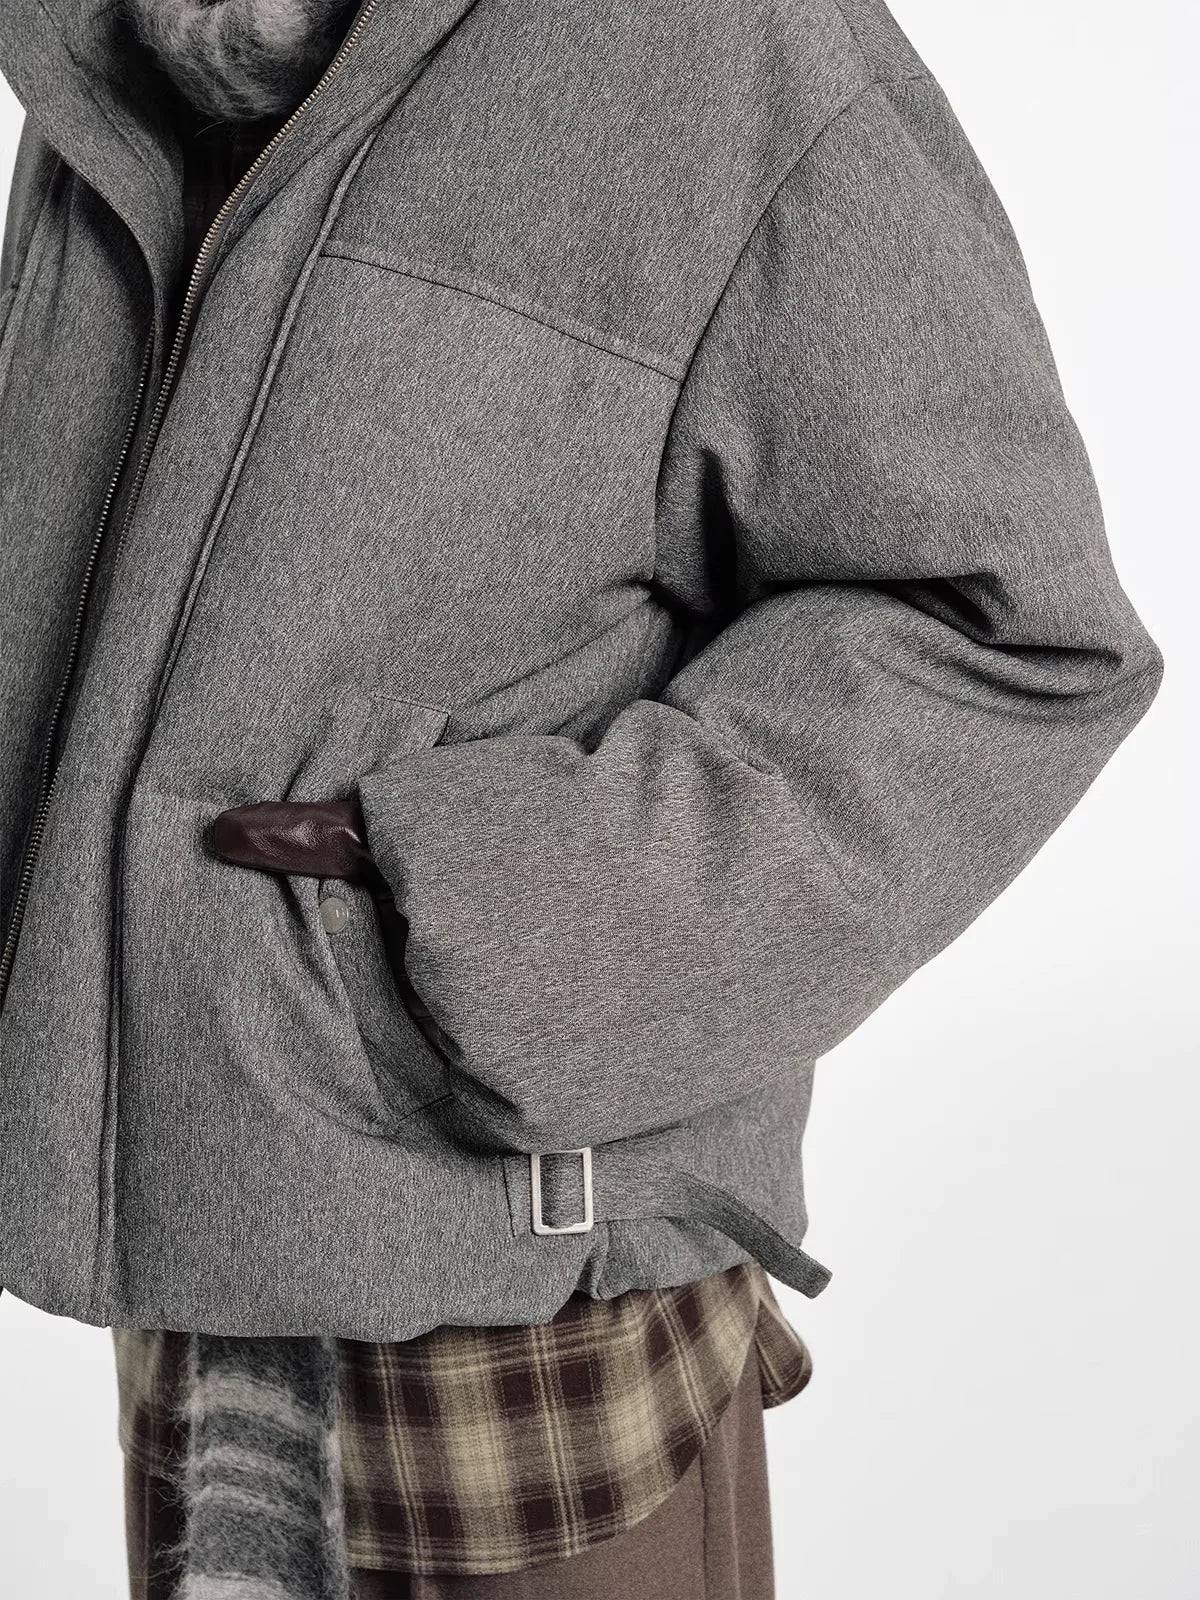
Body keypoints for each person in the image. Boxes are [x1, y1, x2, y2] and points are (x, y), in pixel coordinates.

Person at [0, 1, 1161, 1596]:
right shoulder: (133, 46)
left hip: (527, 1279)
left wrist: (498, 926)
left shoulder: (719, 46)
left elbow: (1010, 635)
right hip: (193, 1272)